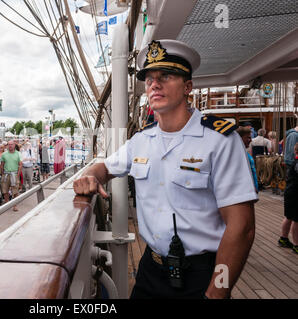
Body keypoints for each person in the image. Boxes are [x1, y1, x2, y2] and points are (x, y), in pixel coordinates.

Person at [73, 39, 258, 299]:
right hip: (151, 268)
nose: (154, 84)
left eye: (166, 76)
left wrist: (218, 292)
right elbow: (103, 167)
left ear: (188, 87)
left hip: (201, 275)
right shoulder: (141, 140)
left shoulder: (219, 140)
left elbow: (242, 226)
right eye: (149, 79)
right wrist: (89, 177)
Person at [278, 126, 298, 252]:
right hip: (295, 192)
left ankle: (283, 238)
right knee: (296, 219)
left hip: (291, 191)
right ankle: (297, 245)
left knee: (289, 216)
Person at [0, 140, 22, 211]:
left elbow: (20, 165)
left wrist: (18, 175)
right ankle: (7, 204)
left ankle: (15, 205)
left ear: (14, 145)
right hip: (6, 174)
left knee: (15, 191)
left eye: (11, 144)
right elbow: (2, 164)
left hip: (14, 174)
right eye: (9, 144)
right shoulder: (4, 154)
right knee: (5, 190)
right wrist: (2, 173)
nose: (10, 146)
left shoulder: (18, 153)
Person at [236, 127, 258, 192]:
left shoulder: (244, 153)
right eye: (248, 138)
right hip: (246, 191)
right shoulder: (237, 155)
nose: (251, 140)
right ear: (239, 138)